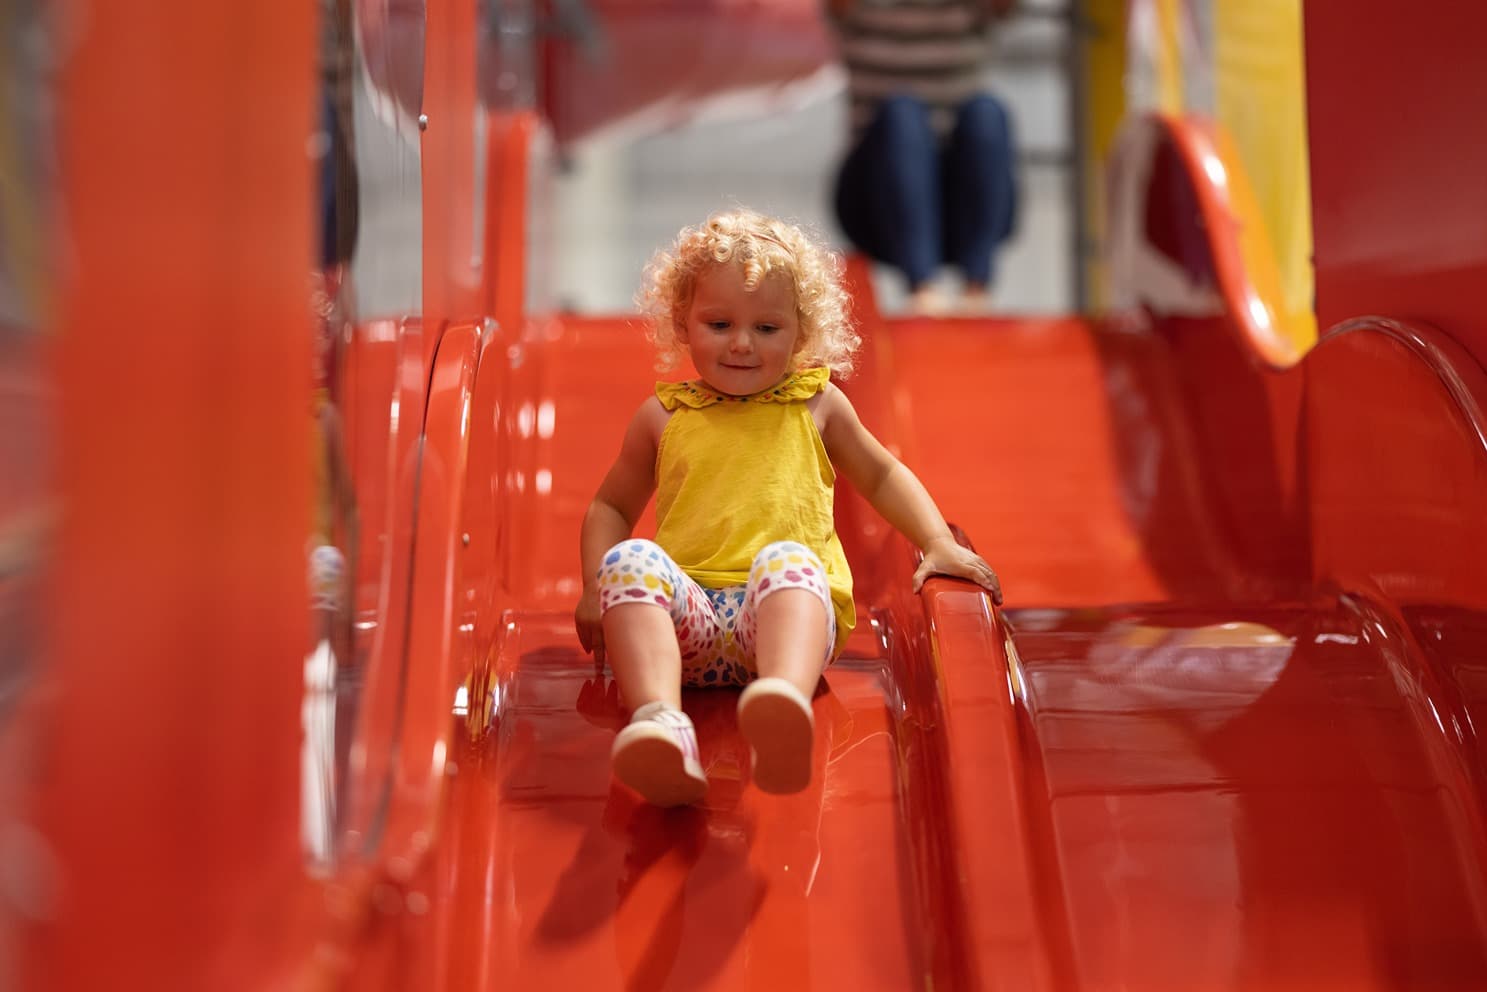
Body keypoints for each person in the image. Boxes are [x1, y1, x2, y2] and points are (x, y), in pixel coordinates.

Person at [574, 208, 1002, 807]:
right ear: (682, 322)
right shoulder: (665, 417)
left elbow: (880, 474)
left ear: (799, 333)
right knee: (630, 559)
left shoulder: (816, 404)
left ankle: (782, 708)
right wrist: (597, 585)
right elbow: (610, 507)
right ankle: (661, 723)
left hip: (777, 628)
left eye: (767, 329)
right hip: (691, 629)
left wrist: (935, 541)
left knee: (790, 561)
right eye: (719, 323)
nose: (742, 343)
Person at [827, 0, 1019, 313]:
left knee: (987, 112)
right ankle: (922, 287)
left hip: (956, 204)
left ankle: (976, 287)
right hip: (876, 199)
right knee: (902, 113)